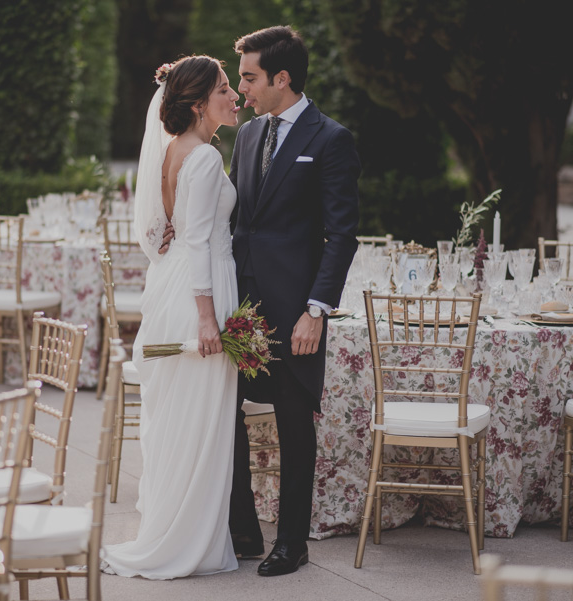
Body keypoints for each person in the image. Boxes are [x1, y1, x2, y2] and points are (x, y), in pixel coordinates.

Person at [102, 55, 242, 580]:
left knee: (181, 420)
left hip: (174, 284)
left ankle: (182, 534)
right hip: (197, 294)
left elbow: (175, 232)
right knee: (199, 424)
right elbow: (201, 240)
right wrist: (208, 319)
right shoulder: (203, 158)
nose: (233, 96)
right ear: (197, 103)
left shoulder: (174, 152)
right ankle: (185, 543)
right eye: (224, 88)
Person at [228, 26, 360, 577]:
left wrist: (316, 309)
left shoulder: (331, 139)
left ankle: (292, 543)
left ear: (282, 78)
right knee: (223, 412)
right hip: (241, 305)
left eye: (250, 78)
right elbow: (238, 218)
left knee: (292, 422)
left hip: (295, 313)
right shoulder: (247, 134)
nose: (242, 90)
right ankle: (241, 529)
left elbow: (342, 233)